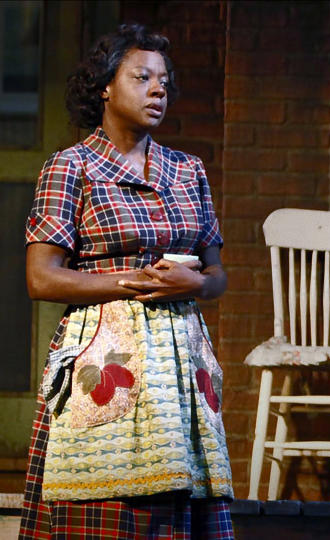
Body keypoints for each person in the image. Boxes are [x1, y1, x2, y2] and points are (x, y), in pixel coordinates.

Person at [19, 24, 234, 538]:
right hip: (106, 351)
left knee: (181, 494)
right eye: (142, 77)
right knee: (108, 498)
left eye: (164, 80)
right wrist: (133, 282)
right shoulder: (72, 167)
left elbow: (218, 273)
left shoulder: (187, 170)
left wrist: (195, 285)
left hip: (181, 356)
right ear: (105, 87)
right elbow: (41, 278)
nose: (158, 89)